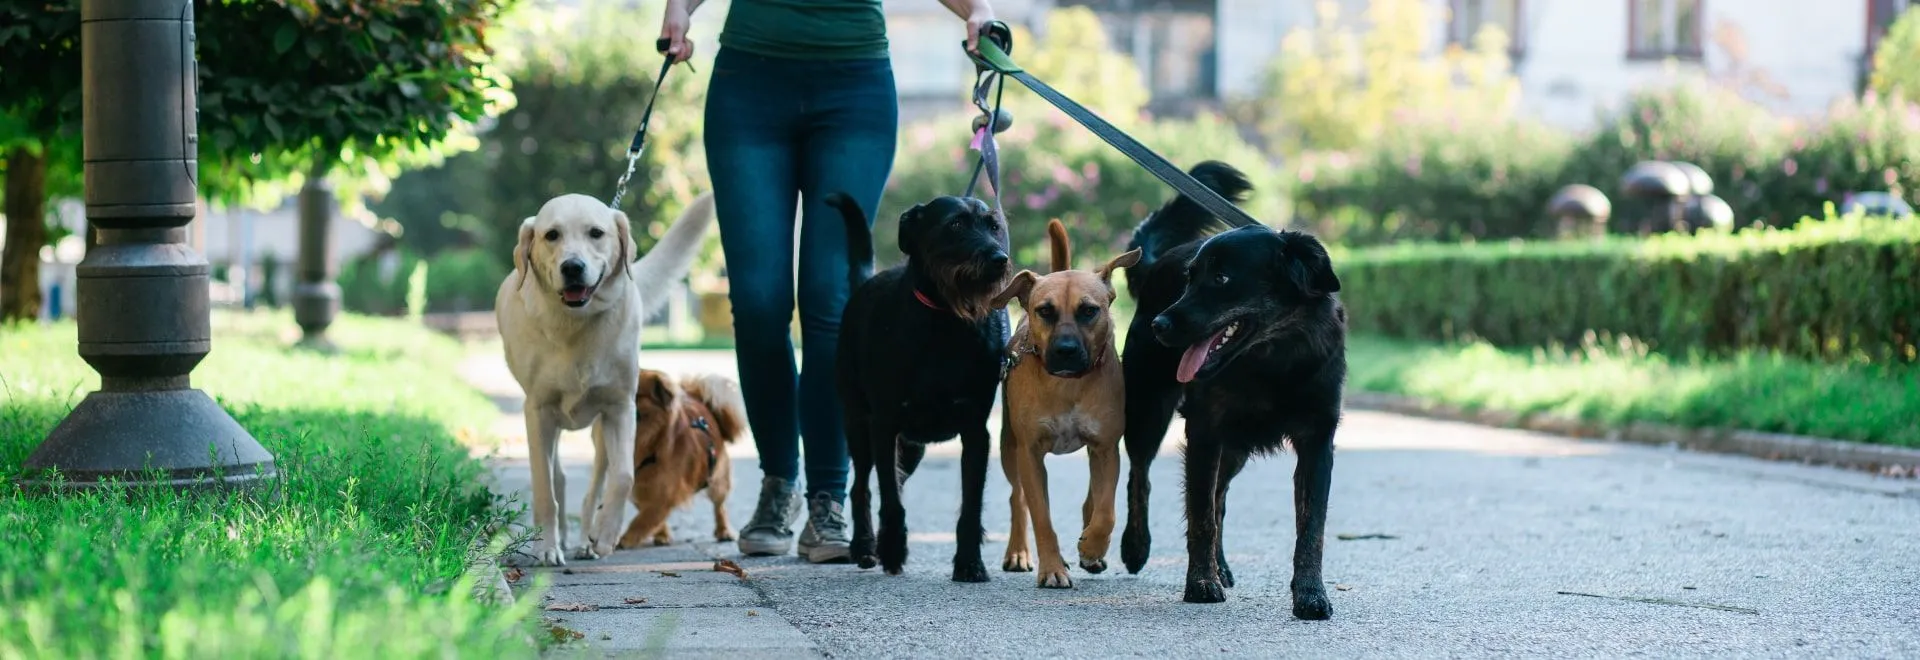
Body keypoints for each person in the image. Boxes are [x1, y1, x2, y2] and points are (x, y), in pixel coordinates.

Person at [657, 0, 997, 563]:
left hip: (854, 86)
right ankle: (778, 484)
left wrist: (977, 10)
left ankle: (830, 497)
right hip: (750, 83)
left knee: (829, 300)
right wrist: (678, 9)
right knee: (761, 302)